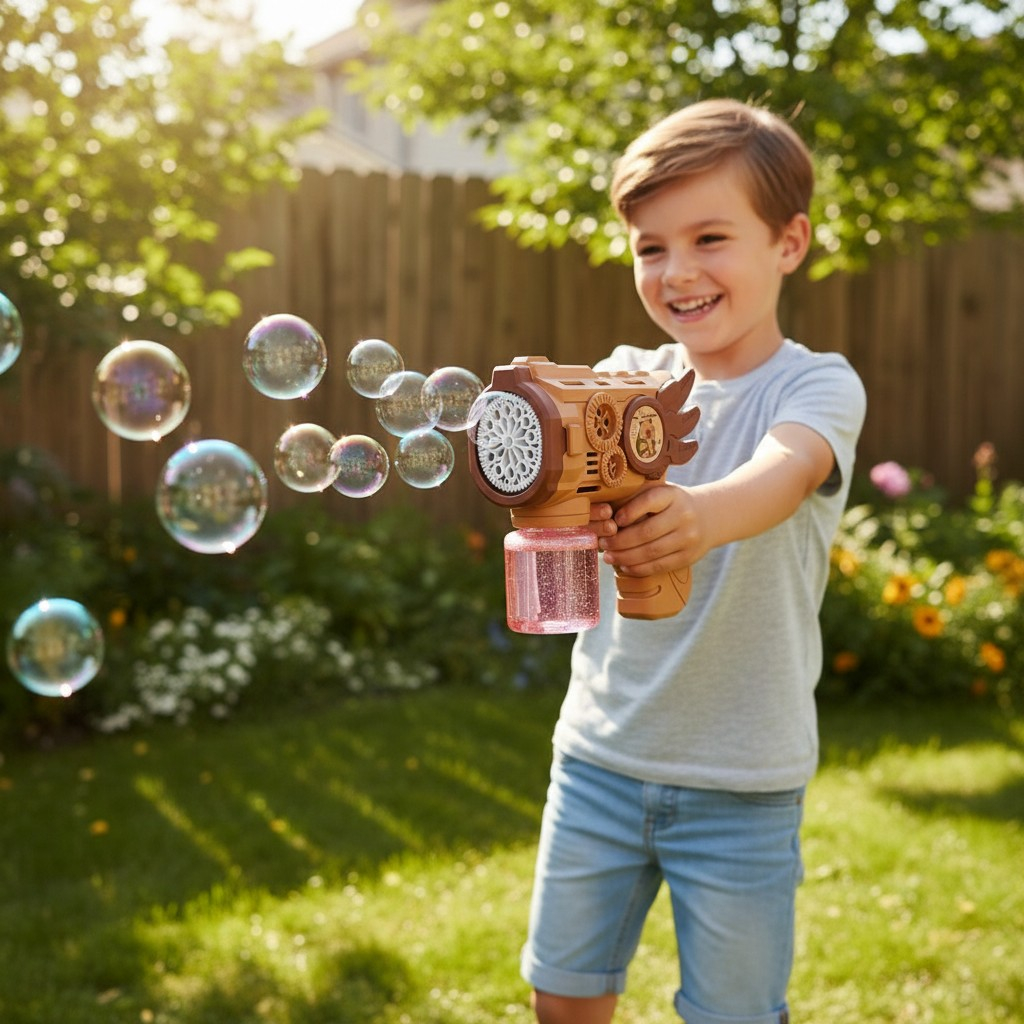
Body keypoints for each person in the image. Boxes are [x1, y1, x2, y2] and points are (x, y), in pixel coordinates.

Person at [519, 98, 867, 1024]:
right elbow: (560, 481)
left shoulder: (816, 384)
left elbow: (786, 471)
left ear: (789, 242)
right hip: (600, 757)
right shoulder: (622, 380)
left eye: (709, 238)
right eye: (650, 247)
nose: (676, 271)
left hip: (744, 784)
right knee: (562, 995)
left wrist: (701, 516)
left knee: (734, 1013)